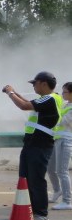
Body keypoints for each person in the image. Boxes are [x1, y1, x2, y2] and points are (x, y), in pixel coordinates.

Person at [3, 71, 64, 220]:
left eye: (35, 83)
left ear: (44, 84)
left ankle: (41, 213)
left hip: (40, 144)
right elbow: (28, 103)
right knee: (25, 178)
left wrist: (10, 93)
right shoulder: (46, 99)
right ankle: (28, 208)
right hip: (32, 143)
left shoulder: (50, 98)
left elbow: (24, 106)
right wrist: (14, 92)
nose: (33, 86)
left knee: (36, 179)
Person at [48, 81, 72, 210]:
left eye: (65, 92)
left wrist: (53, 109)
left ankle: (67, 201)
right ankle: (57, 191)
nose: (62, 94)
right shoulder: (66, 105)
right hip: (57, 140)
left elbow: (62, 121)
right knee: (51, 168)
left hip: (65, 141)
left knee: (62, 171)